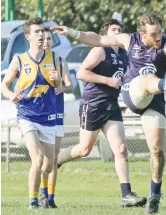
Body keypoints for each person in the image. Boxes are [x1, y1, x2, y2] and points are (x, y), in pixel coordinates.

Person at [51, 12, 166, 214]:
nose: (159, 37)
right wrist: (72, 32)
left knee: (156, 151)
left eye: (160, 32)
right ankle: (165, 83)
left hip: (154, 100)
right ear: (142, 35)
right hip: (132, 93)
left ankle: (154, 195)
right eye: (154, 34)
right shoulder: (129, 40)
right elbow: (98, 39)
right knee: (147, 80)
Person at [56, 19, 147, 207]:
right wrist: (107, 81)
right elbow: (82, 73)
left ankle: (126, 194)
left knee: (121, 149)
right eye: (114, 29)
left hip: (111, 105)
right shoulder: (99, 50)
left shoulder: (123, 53)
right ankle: (55, 161)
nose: (118, 32)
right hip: (93, 104)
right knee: (84, 149)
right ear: (105, 34)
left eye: (120, 30)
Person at [1, 18, 62, 210]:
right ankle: (33, 202)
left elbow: (59, 87)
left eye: (42, 31)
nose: (41, 35)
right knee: (37, 159)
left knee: (49, 165)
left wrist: (58, 80)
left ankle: (42, 193)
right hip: (27, 115)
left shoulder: (53, 58)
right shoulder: (19, 60)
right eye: (36, 32)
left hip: (48, 117)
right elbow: (4, 85)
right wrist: (11, 95)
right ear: (28, 36)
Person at [38, 27, 74, 208]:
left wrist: (62, 85)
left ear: (53, 42)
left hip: (57, 114)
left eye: (49, 39)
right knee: (43, 157)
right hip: (39, 116)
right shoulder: (32, 61)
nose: (46, 42)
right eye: (43, 39)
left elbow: (71, 87)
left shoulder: (60, 61)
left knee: (54, 159)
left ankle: (51, 198)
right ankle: (42, 194)